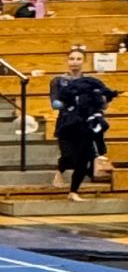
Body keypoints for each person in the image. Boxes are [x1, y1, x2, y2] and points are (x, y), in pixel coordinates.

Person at [50, 47, 113, 198]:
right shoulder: (59, 81)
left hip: (85, 124)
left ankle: (73, 191)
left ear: (84, 61)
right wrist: (72, 101)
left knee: (84, 158)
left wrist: (100, 101)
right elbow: (54, 102)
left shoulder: (92, 82)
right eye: (72, 59)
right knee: (69, 154)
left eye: (78, 59)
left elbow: (104, 102)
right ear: (67, 61)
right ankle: (59, 170)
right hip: (67, 122)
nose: (75, 62)